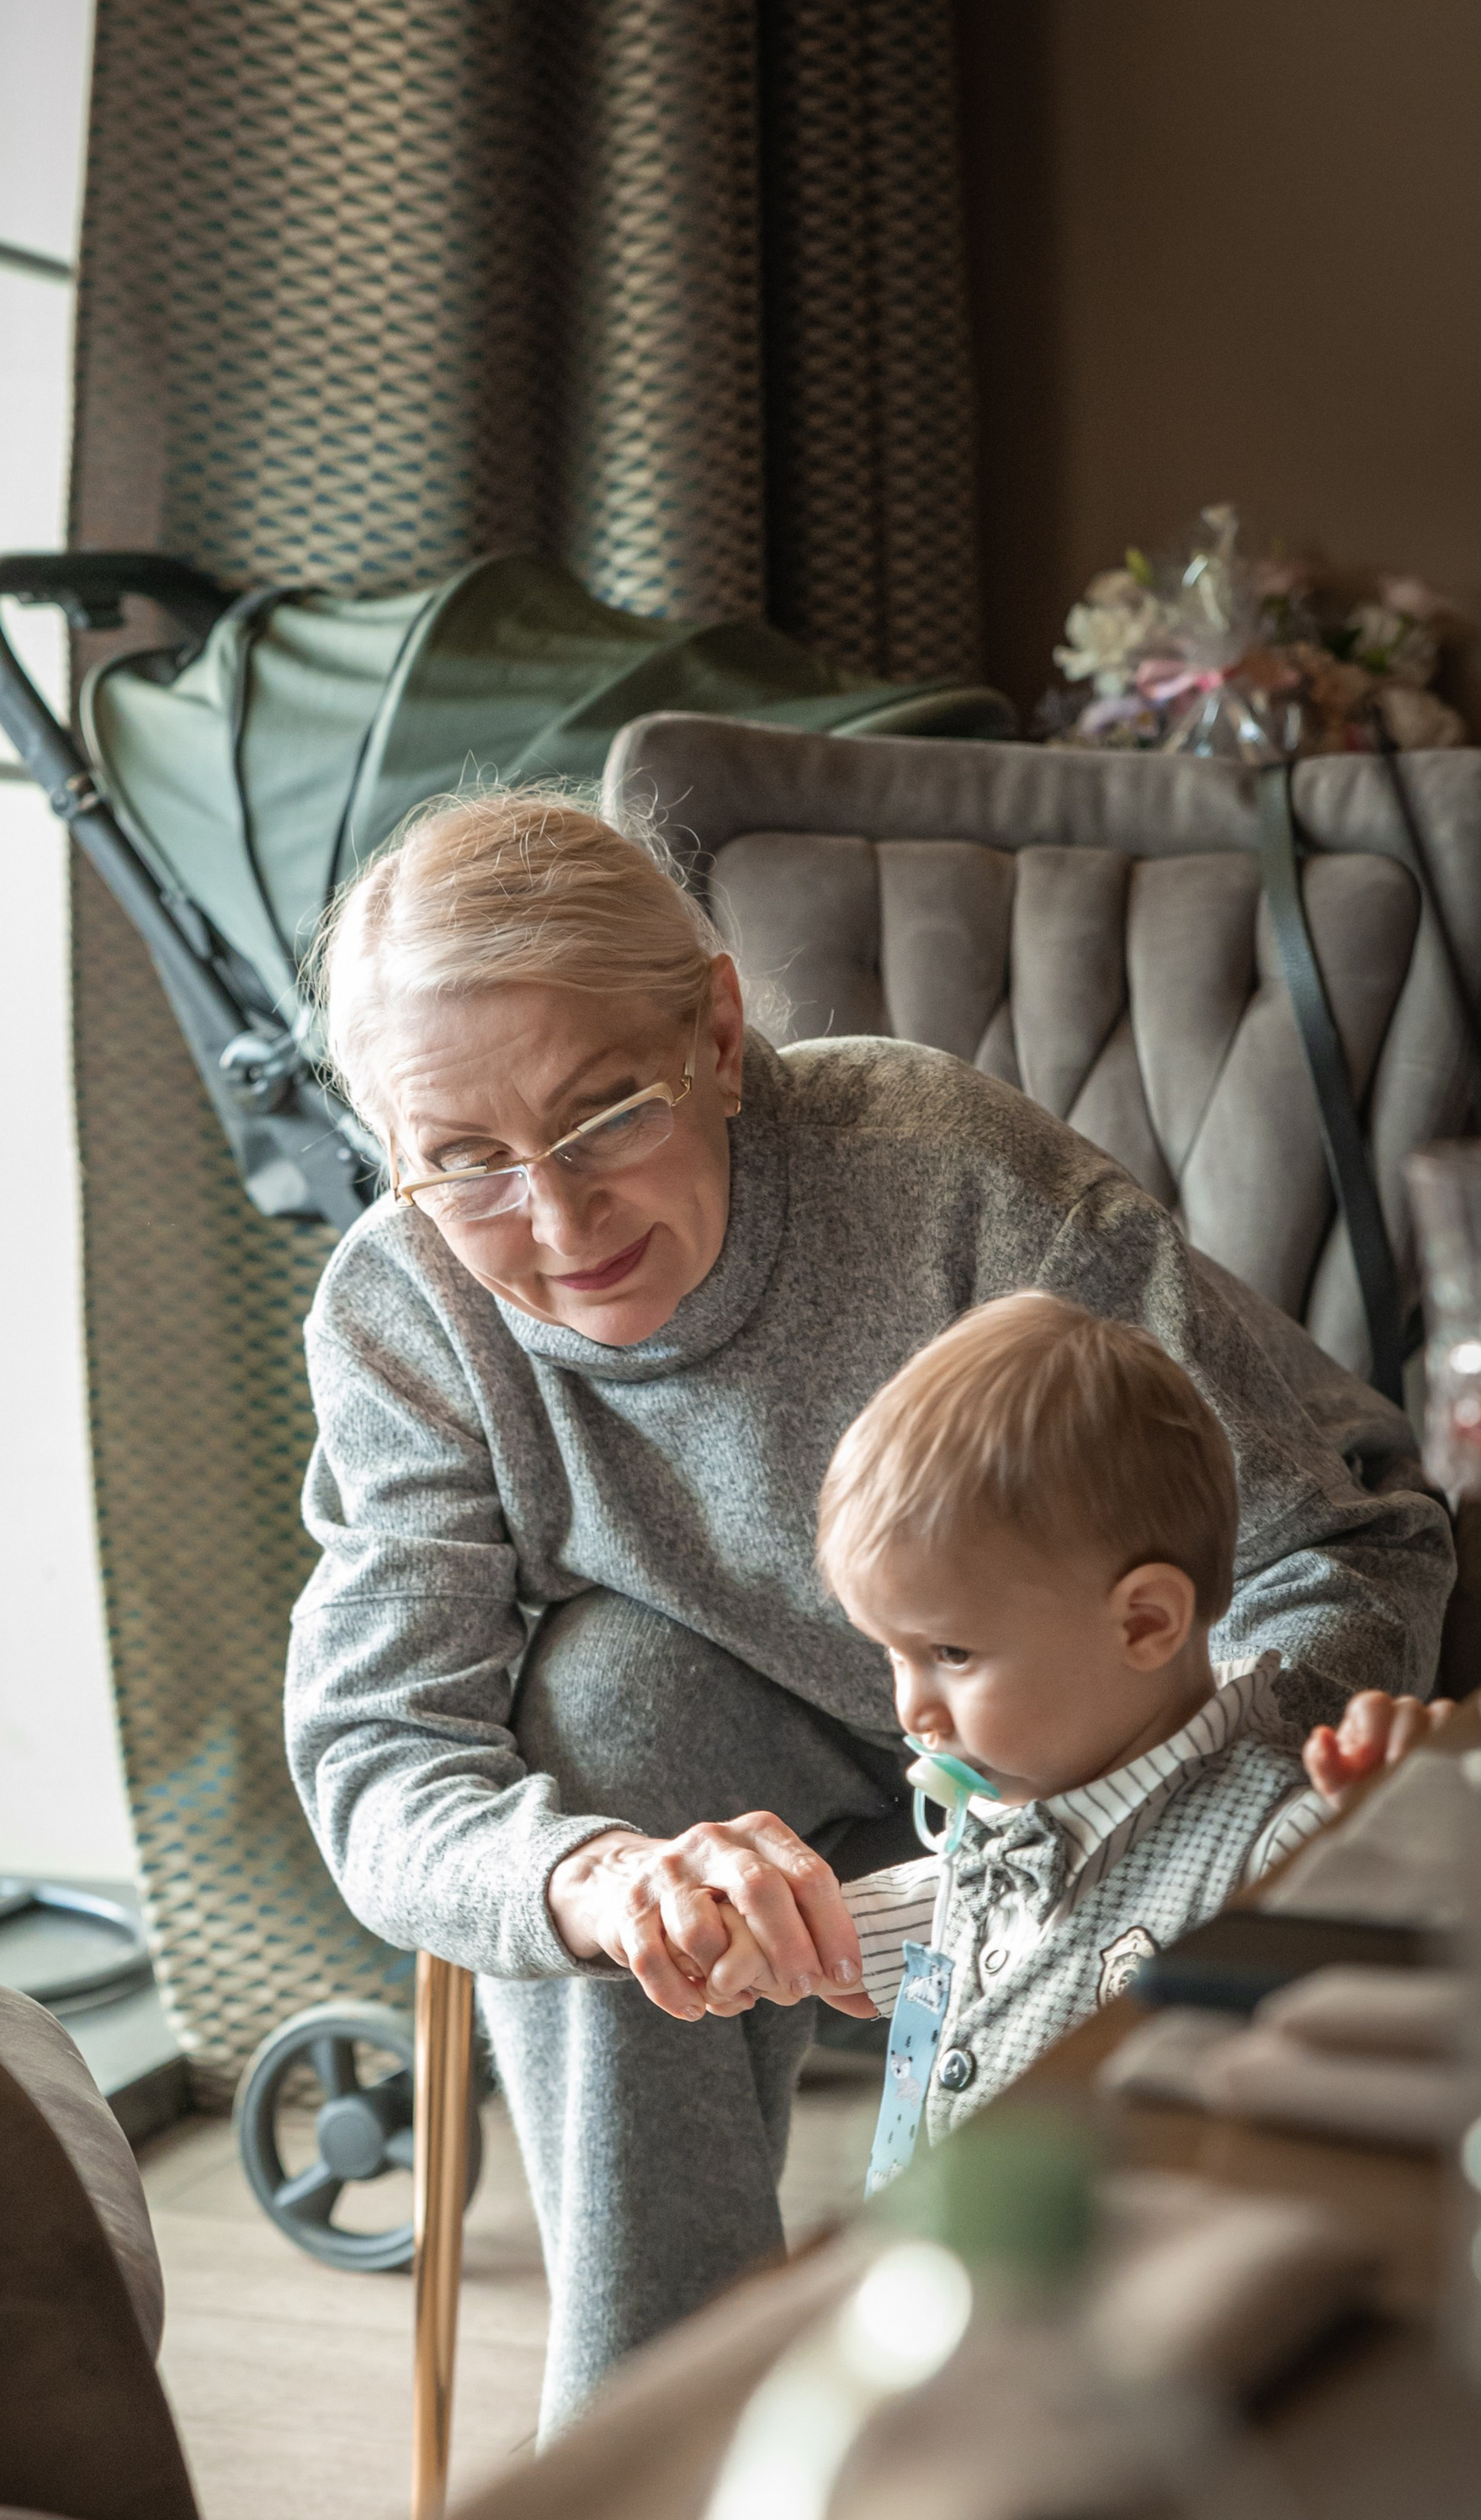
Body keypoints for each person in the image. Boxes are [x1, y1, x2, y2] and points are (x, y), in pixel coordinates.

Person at [284, 788, 1454, 2435]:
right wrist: (598, 1879)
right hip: (772, 1754)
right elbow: (377, 1760)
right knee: (602, 1701)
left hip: (1143, 1716)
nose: (554, 1227)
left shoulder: (942, 1172)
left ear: (716, 1022)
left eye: (605, 1111)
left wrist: (1173, 1808)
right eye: (459, 1165)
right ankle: (644, 2425)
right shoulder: (403, 1314)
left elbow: (1317, 1545)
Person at [811, 1289, 1422, 2187]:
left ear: (1143, 1622)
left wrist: (1392, 1830)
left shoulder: (1274, 1843)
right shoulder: (1016, 1800)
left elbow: (1393, 2038)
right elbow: (976, 1898)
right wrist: (813, 1935)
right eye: (893, 1654)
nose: (912, 1709)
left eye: (949, 1651)